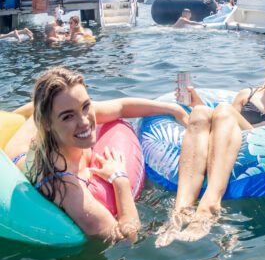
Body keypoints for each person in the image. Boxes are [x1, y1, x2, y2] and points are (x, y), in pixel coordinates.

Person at [156, 34, 265, 246]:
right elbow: (223, 126)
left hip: (261, 149)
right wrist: (197, 104)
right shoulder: (247, 95)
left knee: (222, 109)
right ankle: (180, 211)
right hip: (232, 143)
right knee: (200, 113)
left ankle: (210, 205)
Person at [5, 67, 188, 241]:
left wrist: (174, 109)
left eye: (86, 106)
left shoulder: (74, 118)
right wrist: (120, 178)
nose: (84, 121)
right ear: (47, 124)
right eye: (68, 116)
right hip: (20, 152)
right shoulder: (66, 186)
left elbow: (121, 107)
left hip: (46, 132)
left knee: (43, 111)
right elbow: (126, 236)